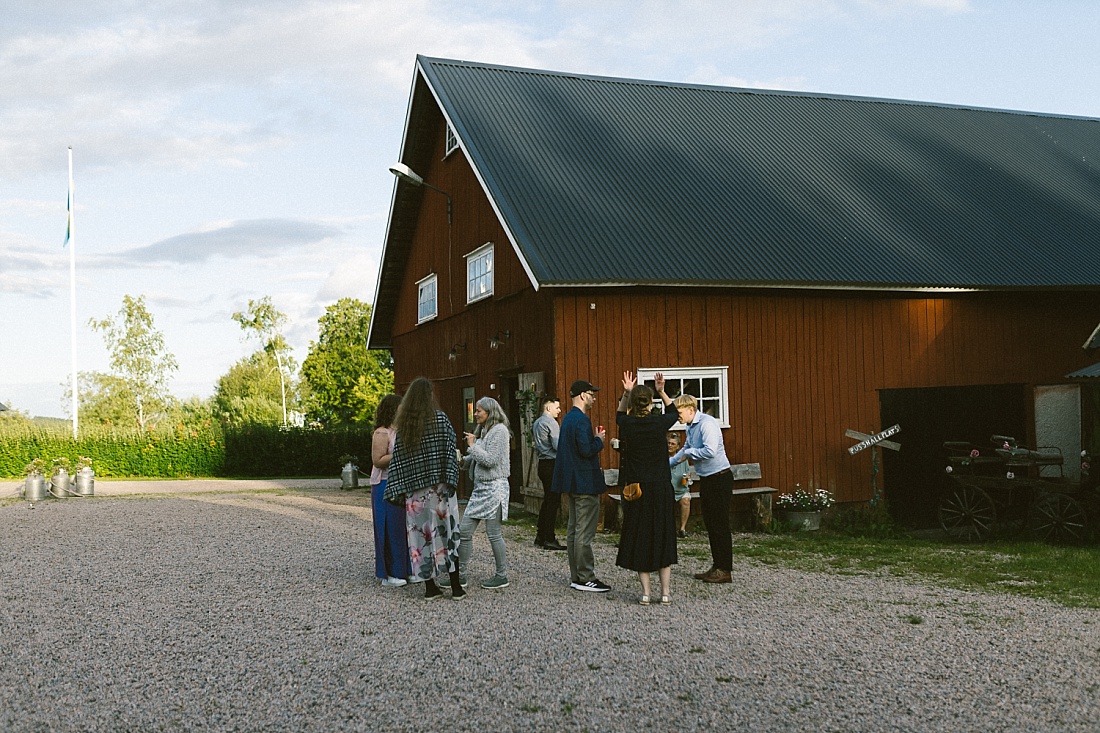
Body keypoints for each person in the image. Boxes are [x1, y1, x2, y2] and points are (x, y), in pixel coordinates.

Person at [384, 377, 465, 600]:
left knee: (420, 539)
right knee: (447, 534)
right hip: (439, 490)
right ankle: (456, 587)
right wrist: (450, 479)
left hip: (415, 495)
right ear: (429, 396)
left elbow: (398, 461)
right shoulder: (440, 419)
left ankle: (430, 588)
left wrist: (399, 489)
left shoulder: (405, 427)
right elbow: (450, 450)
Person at [614, 371, 678, 604]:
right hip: (660, 487)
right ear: (651, 403)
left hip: (637, 489)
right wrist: (661, 390)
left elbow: (619, 414)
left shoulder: (628, 424)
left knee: (641, 537)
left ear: (633, 404)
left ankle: (645, 593)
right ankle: (665, 593)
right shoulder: (659, 422)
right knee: (662, 536)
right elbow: (674, 412)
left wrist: (626, 393)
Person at [551, 378, 609, 593]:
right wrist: (599, 440)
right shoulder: (582, 420)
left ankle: (577, 576)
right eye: (592, 394)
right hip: (585, 482)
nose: (594, 398)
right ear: (583, 395)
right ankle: (586, 577)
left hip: (572, 482)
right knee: (584, 533)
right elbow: (586, 450)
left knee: (574, 531)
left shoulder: (567, 419)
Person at [670, 394, 733, 583]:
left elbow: (710, 450)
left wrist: (689, 452)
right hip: (707, 479)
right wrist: (668, 463)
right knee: (711, 524)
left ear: (690, 410)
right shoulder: (690, 426)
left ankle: (725, 569)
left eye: (679, 412)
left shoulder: (707, 424)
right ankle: (717, 565)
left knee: (720, 524)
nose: (677, 417)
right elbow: (686, 449)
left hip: (719, 479)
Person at [459, 396, 512, 590]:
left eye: (479, 410)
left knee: (493, 533)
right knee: (464, 532)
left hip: (495, 488)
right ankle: (460, 575)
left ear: (490, 412)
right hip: (480, 488)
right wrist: (464, 460)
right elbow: (477, 458)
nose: (475, 413)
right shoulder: (483, 430)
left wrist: (472, 446)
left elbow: (490, 460)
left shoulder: (500, 431)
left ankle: (501, 575)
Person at [370, 393, 408, 588]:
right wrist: (400, 455)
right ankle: (388, 573)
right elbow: (378, 460)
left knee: (400, 529)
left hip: (400, 485)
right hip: (383, 485)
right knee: (387, 527)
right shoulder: (382, 433)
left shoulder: (399, 431)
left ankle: (403, 569)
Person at [532, 396, 566, 550]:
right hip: (552, 463)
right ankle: (549, 538)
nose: (559, 411)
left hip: (542, 463)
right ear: (548, 407)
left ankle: (541, 535)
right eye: (557, 407)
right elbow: (558, 445)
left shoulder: (538, 422)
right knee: (553, 502)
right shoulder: (551, 423)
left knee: (547, 501)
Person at [668, 432, 692, 538]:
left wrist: (687, 478)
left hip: (681, 489)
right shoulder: (662, 458)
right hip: (667, 489)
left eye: (673, 444)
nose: (670, 445)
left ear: (678, 447)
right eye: (668, 443)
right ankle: (668, 529)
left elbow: (687, 473)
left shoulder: (682, 459)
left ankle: (682, 529)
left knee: (686, 501)